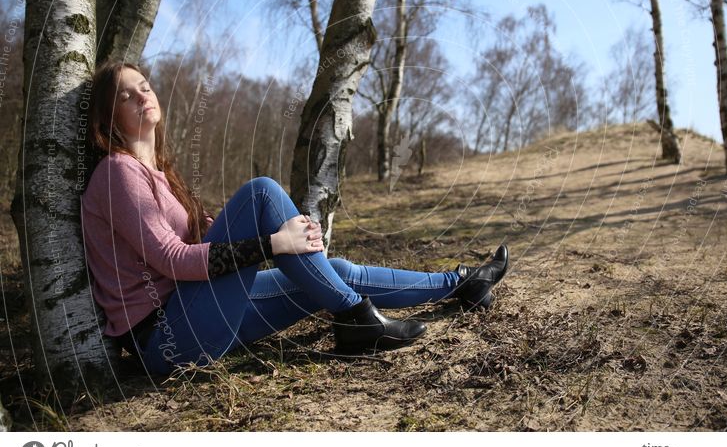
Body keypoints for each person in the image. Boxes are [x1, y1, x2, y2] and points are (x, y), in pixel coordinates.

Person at [80, 60, 509, 376]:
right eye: (125, 95)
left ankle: (462, 282)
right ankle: (356, 321)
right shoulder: (118, 172)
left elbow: (207, 239)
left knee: (335, 271)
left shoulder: (160, 175)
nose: (142, 96)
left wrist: (293, 236)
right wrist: (275, 244)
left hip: (202, 313)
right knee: (262, 192)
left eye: (145, 86)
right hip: (167, 337)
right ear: (107, 115)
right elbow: (173, 260)